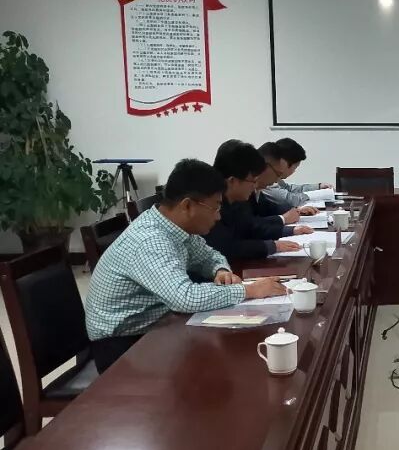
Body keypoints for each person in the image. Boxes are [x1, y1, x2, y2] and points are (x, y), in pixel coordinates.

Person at [84, 159, 287, 372]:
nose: (218, 216)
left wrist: (220, 270)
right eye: (215, 207)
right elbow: (185, 298)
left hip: (159, 323)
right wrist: (249, 291)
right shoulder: (150, 240)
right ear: (187, 205)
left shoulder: (174, 227)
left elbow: (209, 255)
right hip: (123, 344)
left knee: (228, 354)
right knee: (221, 366)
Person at [206, 141, 312, 262]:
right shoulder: (209, 204)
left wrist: (289, 231)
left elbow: (250, 227)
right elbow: (226, 248)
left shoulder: (236, 199)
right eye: (252, 181)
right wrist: (270, 246)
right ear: (232, 181)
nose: (255, 186)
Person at [261, 137, 331, 208]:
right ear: (285, 163)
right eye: (295, 167)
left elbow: (289, 188)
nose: (294, 171)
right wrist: (318, 194)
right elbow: (290, 200)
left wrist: (318, 186)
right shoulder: (266, 179)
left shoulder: (274, 176)